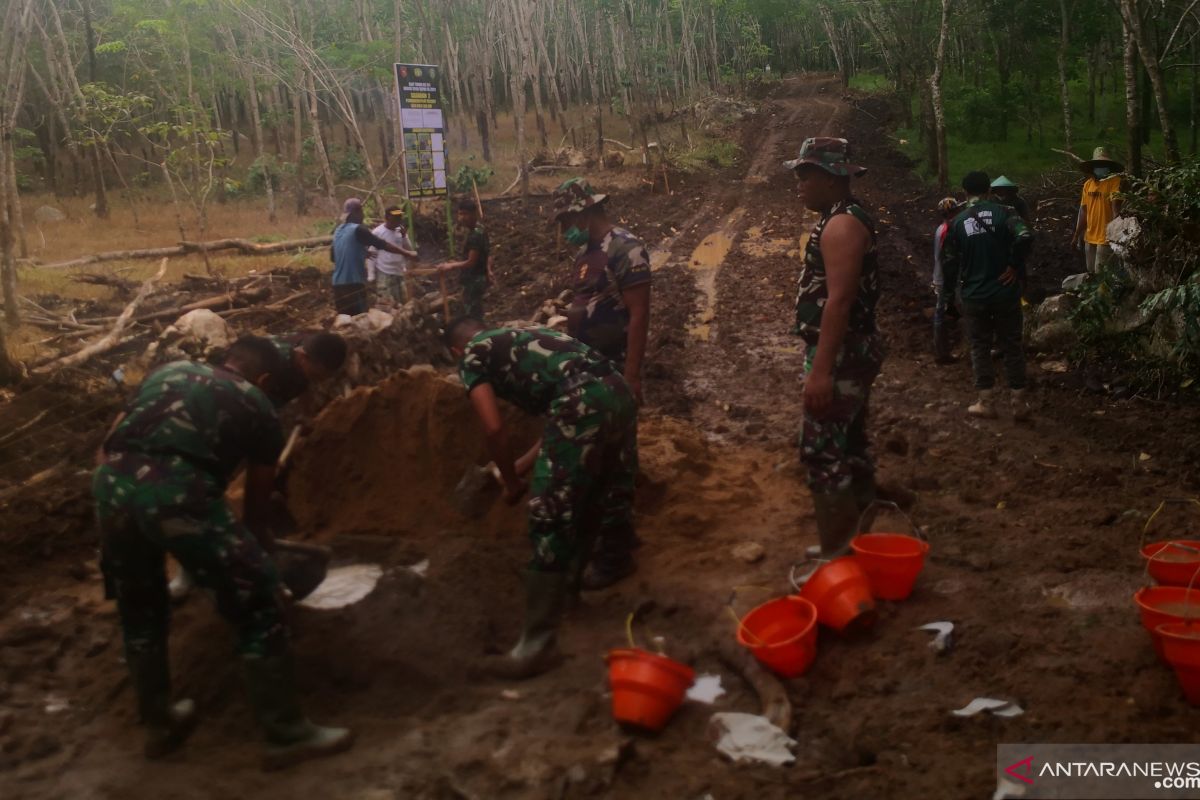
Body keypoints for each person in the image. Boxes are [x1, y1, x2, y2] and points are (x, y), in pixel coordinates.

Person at [93, 336, 353, 767]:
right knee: (259, 608)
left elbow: (106, 444)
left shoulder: (166, 373)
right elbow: (255, 513)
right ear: (265, 378)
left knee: (141, 610)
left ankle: (159, 724)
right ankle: (286, 733)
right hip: (177, 493)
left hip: (109, 487)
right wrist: (264, 563)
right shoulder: (258, 404)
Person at [445, 318, 637, 679]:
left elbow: (494, 428)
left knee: (549, 513)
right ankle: (568, 596)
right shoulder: (524, 336)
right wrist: (515, 467)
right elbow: (561, 416)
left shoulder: (470, 356)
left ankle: (536, 646)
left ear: (457, 350)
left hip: (580, 403)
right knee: (591, 498)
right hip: (617, 392)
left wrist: (514, 484)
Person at [549, 177, 651, 589]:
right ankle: (619, 536)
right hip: (587, 367)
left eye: (569, 218)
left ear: (588, 210)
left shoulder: (626, 248)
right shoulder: (585, 254)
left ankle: (614, 558)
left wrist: (631, 376)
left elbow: (639, 315)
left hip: (613, 370)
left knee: (614, 460)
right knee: (601, 455)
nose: (565, 227)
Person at [786, 137, 885, 558]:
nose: (799, 184)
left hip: (842, 353)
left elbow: (839, 301)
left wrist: (821, 370)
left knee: (821, 451)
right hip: (852, 349)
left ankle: (840, 555)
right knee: (850, 443)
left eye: (806, 174)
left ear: (831, 177)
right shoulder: (839, 217)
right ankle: (860, 541)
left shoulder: (842, 224)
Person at [943, 171, 1034, 420]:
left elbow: (949, 263)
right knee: (1012, 346)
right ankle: (1018, 403)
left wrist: (949, 297)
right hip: (1005, 292)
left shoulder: (957, 222)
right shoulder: (1006, 212)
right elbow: (1025, 236)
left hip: (974, 295)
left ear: (964, 192)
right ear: (989, 190)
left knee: (980, 347)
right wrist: (1014, 266)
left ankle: (986, 402)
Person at [330, 198, 411, 316]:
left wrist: (361, 253)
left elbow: (333, 257)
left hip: (337, 284)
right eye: (361, 212)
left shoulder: (338, 231)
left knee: (345, 322)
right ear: (357, 213)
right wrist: (407, 253)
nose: (363, 215)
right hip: (354, 283)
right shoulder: (359, 229)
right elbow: (383, 245)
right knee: (361, 319)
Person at [1070, 147, 1124, 273]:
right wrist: (1077, 234)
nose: (1101, 167)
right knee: (1091, 270)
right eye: (1098, 164)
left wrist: (1117, 234)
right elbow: (1083, 211)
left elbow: (1116, 207)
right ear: (1093, 166)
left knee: (1102, 273)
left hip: (1106, 236)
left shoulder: (1115, 181)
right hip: (1090, 236)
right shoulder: (1088, 185)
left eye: (1103, 164)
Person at [437, 198, 490, 318]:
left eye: (465, 214)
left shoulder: (475, 235)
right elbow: (486, 253)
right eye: (460, 214)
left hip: (474, 280)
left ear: (474, 213)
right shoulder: (479, 229)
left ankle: (477, 333)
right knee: (476, 309)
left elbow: (471, 262)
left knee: (471, 313)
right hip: (479, 277)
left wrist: (451, 266)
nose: (461, 218)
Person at [368, 206, 419, 305]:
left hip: (399, 271)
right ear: (387, 217)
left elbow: (409, 250)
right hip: (384, 272)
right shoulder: (377, 232)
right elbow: (371, 254)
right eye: (395, 217)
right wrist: (371, 275)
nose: (398, 219)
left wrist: (404, 236)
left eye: (399, 216)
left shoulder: (400, 231)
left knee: (402, 302)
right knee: (386, 304)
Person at [932, 196, 961, 365]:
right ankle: (942, 352)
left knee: (941, 313)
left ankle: (942, 351)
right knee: (941, 314)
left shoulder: (941, 228)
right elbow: (949, 260)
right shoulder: (949, 230)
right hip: (946, 278)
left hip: (940, 276)